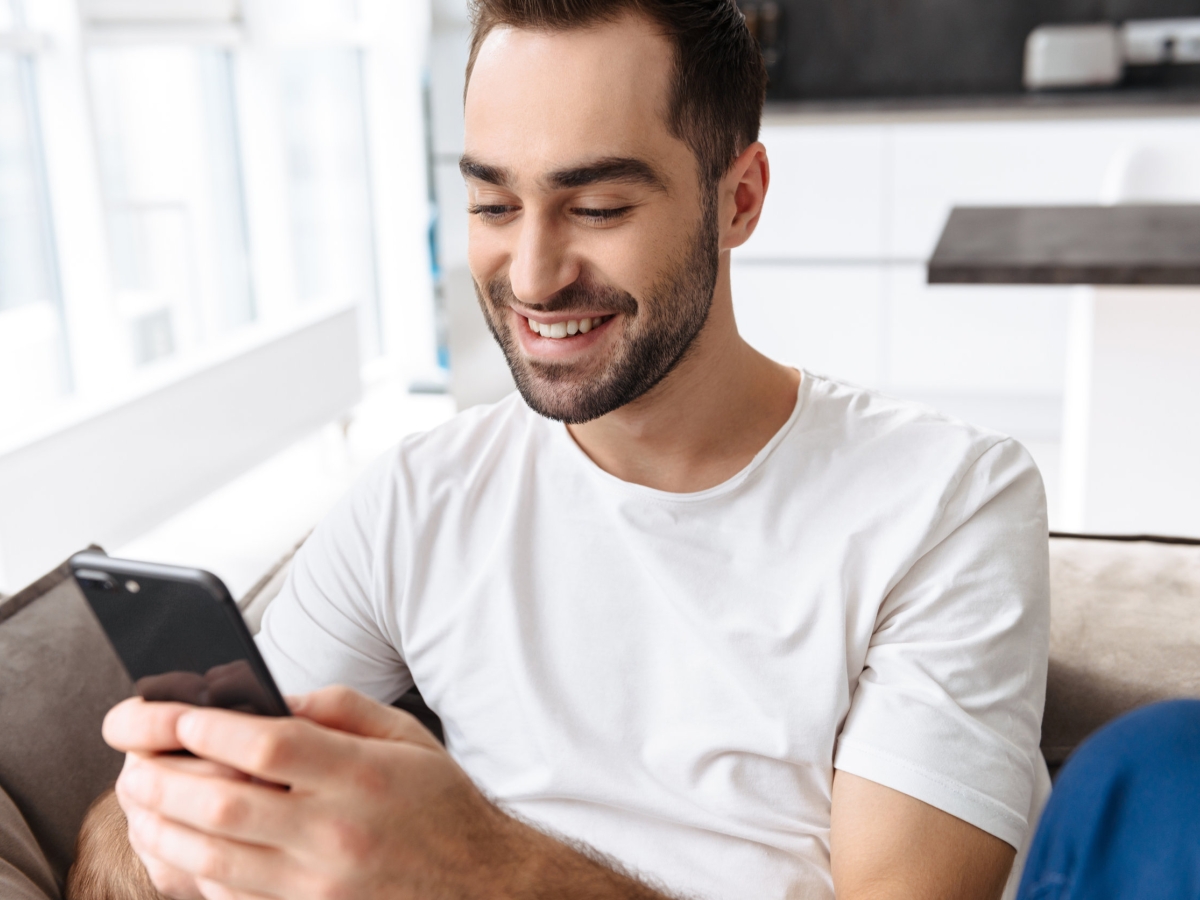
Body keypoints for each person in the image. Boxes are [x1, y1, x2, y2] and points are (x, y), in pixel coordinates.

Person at [95, 1, 1053, 898]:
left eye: (596, 208)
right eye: (494, 206)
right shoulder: (416, 501)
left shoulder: (947, 502)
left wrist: (471, 866)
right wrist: (173, 822)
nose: (535, 275)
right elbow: (122, 846)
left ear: (740, 200)